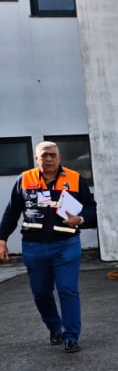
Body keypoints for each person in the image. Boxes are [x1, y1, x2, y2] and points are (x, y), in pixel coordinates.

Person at [0, 140, 96, 353]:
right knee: (41, 292)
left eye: (53, 155)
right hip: (34, 247)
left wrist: (79, 219)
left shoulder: (74, 178)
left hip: (66, 245)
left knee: (67, 290)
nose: (49, 159)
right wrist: (2, 239)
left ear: (59, 157)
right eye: (45, 155)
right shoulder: (24, 180)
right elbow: (11, 212)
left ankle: (71, 337)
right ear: (37, 158)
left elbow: (91, 208)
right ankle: (55, 328)